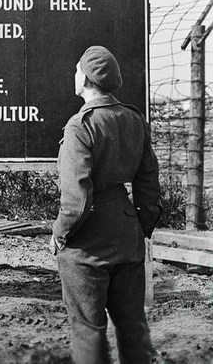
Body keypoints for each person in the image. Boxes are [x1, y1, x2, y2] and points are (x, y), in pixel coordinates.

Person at [50, 45, 162, 364]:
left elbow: (76, 200)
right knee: (132, 327)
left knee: (88, 331)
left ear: (86, 78)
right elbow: (148, 186)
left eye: (76, 70)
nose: (74, 75)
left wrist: (60, 233)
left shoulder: (80, 126)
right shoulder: (134, 120)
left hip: (87, 246)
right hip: (127, 235)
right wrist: (140, 225)